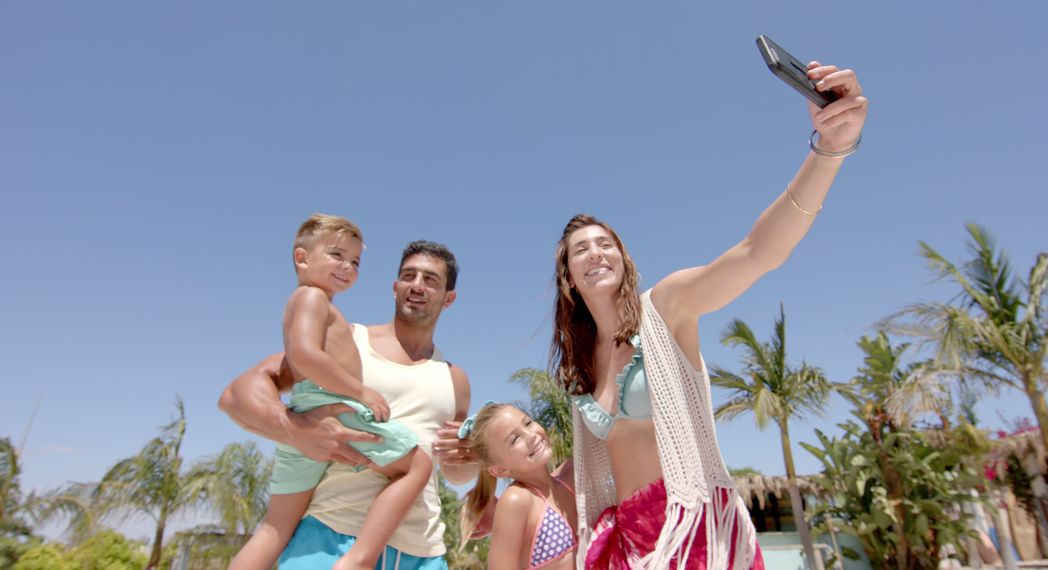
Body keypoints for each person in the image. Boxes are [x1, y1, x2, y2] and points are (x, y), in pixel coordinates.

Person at [551, 62, 868, 569]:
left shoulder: (666, 306)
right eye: (579, 250)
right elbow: (599, 455)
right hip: (622, 539)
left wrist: (830, 151)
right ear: (568, 276)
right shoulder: (582, 365)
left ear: (623, 257)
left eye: (605, 243)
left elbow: (755, 252)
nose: (595, 253)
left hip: (691, 522)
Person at [219, 240, 478, 570]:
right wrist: (294, 428)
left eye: (430, 280)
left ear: (449, 298)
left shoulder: (456, 380)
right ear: (395, 286)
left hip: (423, 552)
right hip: (332, 538)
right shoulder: (346, 340)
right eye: (408, 275)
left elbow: (456, 473)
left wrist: (469, 458)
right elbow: (236, 395)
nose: (417, 285)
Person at [458, 402, 577, 570]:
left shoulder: (570, 475)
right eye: (514, 439)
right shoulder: (516, 500)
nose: (530, 435)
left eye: (528, 423)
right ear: (499, 469)